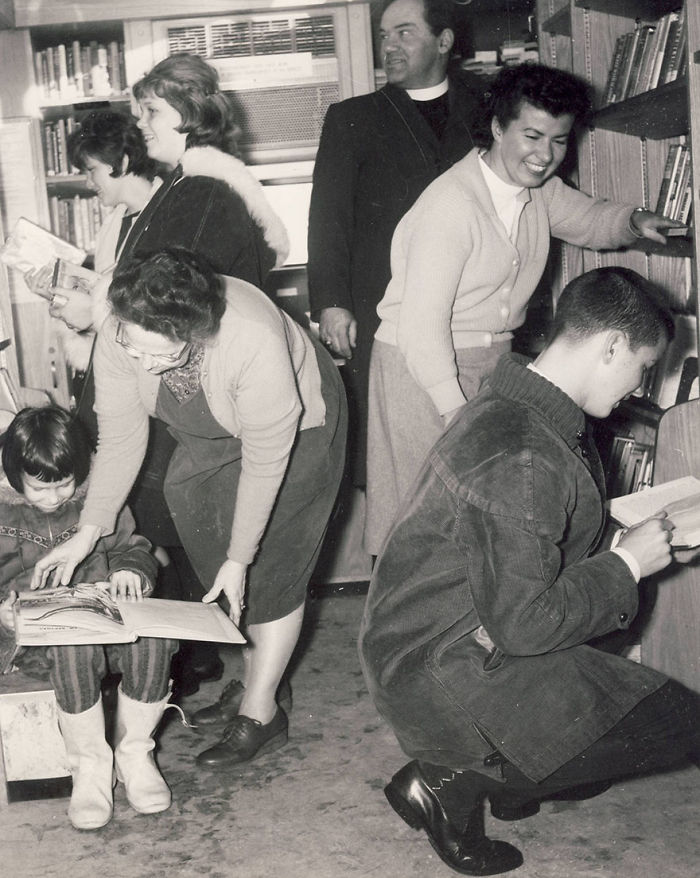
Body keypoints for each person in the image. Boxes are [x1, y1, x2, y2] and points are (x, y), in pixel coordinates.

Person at [359, 267, 700, 875]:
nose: (638, 388)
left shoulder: (516, 402)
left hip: (444, 633)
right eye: (642, 369)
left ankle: (522, 774)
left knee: (617, 691)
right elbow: (523, 623)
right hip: (444, 662)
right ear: (611, 346)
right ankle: (450, 780)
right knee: (680, 724)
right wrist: (627, 562)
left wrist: (638, 544)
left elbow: (535, 545)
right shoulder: (522, 450)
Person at [32, 248, 347, 768]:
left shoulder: (251, 341)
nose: (145, 365)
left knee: (271, 564)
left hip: (299, 431)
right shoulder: (123, 326)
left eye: (162, 356)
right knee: (209, 540)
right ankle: (259, 679)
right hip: (214, 419)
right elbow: (122, 435)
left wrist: (241, 557)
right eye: (136, 350)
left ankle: (262, 712)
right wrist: (88, 530)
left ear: (197, 333)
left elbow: (267, 462)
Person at [365, 62, 686, 555]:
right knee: (419, 515)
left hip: (489, 360)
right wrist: (454, 409)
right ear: (497, 127)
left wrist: (635, 221)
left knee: (484, 510)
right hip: (420, 367)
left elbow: (587, 218)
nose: (545, 155)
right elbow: (421, 327)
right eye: (531, 136)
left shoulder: (536, 191)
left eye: (559, 141)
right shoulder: (451, 206)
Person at [69, 54, 290, 696]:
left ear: (192, 114)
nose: (139, 127)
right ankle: (187, 662)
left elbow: (180, 300)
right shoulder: (180, 185)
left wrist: (98, 308)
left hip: (188, 380)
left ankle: (193, 664)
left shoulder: (205, 188)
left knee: (192, 527)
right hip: (166, 374)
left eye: (151, 112)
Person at [307, 0, 483, 485]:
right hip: (383, 307)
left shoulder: (491, 108)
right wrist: (332, 302)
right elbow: (328, 216)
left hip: (475, 302)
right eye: (384, 36)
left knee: (478, 447)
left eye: (404, 33)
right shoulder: (352, 117)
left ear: (444, 41)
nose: (389, 46)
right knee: (393, 454)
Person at [0, 406, 177, 831]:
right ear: (11, 476)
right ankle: (91, 766)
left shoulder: (97, 502)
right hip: (38, 642)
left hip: (108, 625)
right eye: (40, 489)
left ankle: (135, 754)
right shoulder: (4, 516)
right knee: (71, 644)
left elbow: (133, 546)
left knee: (152, 640)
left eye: (65, 484)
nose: (55, 497)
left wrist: (132, 569)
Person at [28, 110, 162, 370]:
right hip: (115, 366)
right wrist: (61, 294)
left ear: (121, 163)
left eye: (92, 170)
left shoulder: (167, 215)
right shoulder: (113, 224)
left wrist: (91, 315)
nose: (88, 183)